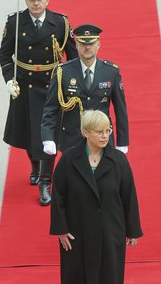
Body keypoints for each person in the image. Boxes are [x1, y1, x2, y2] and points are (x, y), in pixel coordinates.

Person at [50, 110, 142, 284]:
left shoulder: (118, 161)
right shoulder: (70, 160)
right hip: (79, 230)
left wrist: (132, 230)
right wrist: (61, 229)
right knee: (82, 271)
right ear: (85, 133)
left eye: (108, 131)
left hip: (110, 230)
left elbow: (129, 196)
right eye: (99, 132)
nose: (105, 136)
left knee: (109, 279)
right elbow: (58, 194)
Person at [0, 0, 77, 205]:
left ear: (47, 0)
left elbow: (72, 56)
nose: (36, 3)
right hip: (24, 85)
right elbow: (5, 56)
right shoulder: (15, 23)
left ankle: (45, 181)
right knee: (27, 131)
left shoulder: (60, 23)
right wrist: (9, 80)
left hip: (51, 85)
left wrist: (71, 85)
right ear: (26, 0)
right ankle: (35, 165)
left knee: (48, 135)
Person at [41, 24, 131, 205]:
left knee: (103, 186)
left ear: (99, 45)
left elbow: (121, 109)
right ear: (77, 45)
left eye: (91, 43)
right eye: (83, 44)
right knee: (74, 188)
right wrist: (48, 138)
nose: (87, 47)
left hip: (102, 138)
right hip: (73, 137)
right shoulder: (62, 72)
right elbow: (51, 108)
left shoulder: (111, 71)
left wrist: (122, 143)